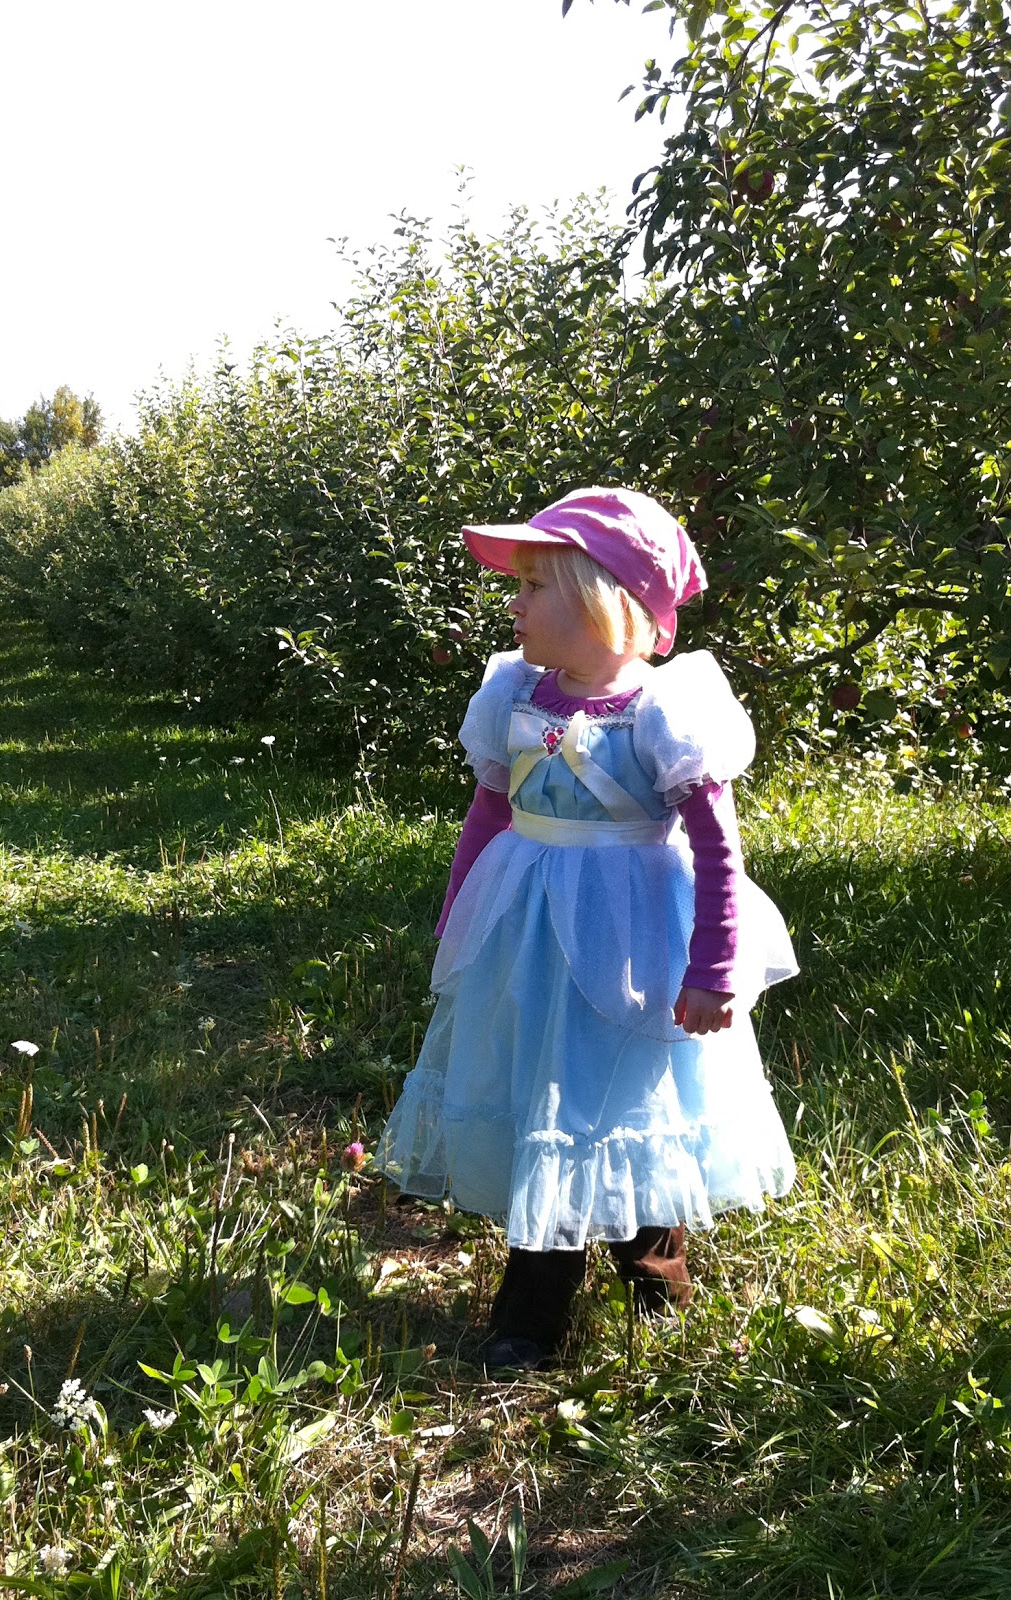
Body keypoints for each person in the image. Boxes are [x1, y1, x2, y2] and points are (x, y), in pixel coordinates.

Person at [375, 487, 799, 1371]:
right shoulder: (511, 694)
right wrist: (460, 919)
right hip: (527, 934)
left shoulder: (665, 711)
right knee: (545, 1093)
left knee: (631, 1095)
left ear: (601, 599)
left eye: (534, 587)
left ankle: (655, 1278)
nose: (514, 604)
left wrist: (713, 965)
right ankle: (530, 1314)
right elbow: (489, 814)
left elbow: (716, 849)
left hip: (634, 940)